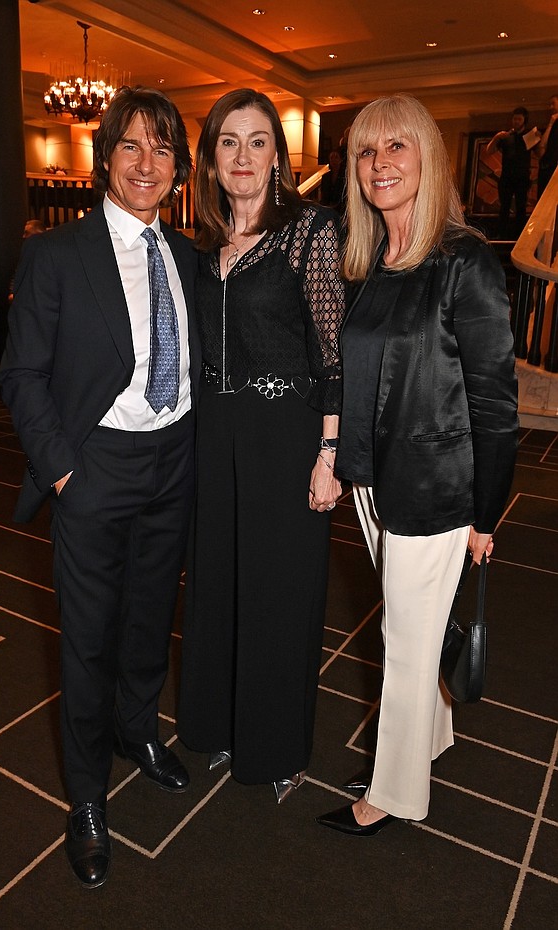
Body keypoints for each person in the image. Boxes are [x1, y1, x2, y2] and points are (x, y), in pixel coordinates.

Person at [0, 86, 200, 888]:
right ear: (103, 159)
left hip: (174, 463)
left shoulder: (187, 256)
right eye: (131, 147)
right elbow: (22, 375)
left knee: (152, 622)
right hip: (96, 467)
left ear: (179, 170)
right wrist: (64, 471)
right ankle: (86, 796)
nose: (147, 165)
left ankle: (139, 731)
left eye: (162, 151)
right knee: (85, 641)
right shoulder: (55, 256)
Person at [316, 94, 518, 836]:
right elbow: (351, 372)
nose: (380, 165)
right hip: (375, 483)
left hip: (439, 490)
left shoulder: (464, 261)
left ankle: (394, 794)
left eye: (397, 148)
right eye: (368, 152)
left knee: (403, 644)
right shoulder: (371, 258)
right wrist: (338, 459)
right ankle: (429, 739)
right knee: (415, 629)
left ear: (427, 159)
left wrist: (486, 516)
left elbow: (497, 405)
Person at [177, 88, 345, 803]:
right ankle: (217, 725)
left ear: (277, 155)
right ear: (211, 161)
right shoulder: (201, 249)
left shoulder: (309, 233)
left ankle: (275, 746)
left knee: (280, 593)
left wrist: (330, 453)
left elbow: (335, 355)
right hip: (214, 441)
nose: (243, 156)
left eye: (257, 141)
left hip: (287, 440)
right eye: (228, 142)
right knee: (216, 584)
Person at [485, 107, 532, 237]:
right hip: (506, 177)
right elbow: (489, 151)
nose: (516, 121)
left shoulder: (528, 136)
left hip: (522, 177)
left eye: (519, 119)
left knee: (521, 207)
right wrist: (496, 137)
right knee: (504, 207)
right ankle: (501, 234)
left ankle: (520, 235)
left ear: (524, 120)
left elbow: (540, 153)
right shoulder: (506, 136)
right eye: (514, 119)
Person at [536, 93, 558, 199]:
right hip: (547, 168)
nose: (551, 107)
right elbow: (542, 146)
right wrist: (551, 123)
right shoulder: (552, 123)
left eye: (553, 104)